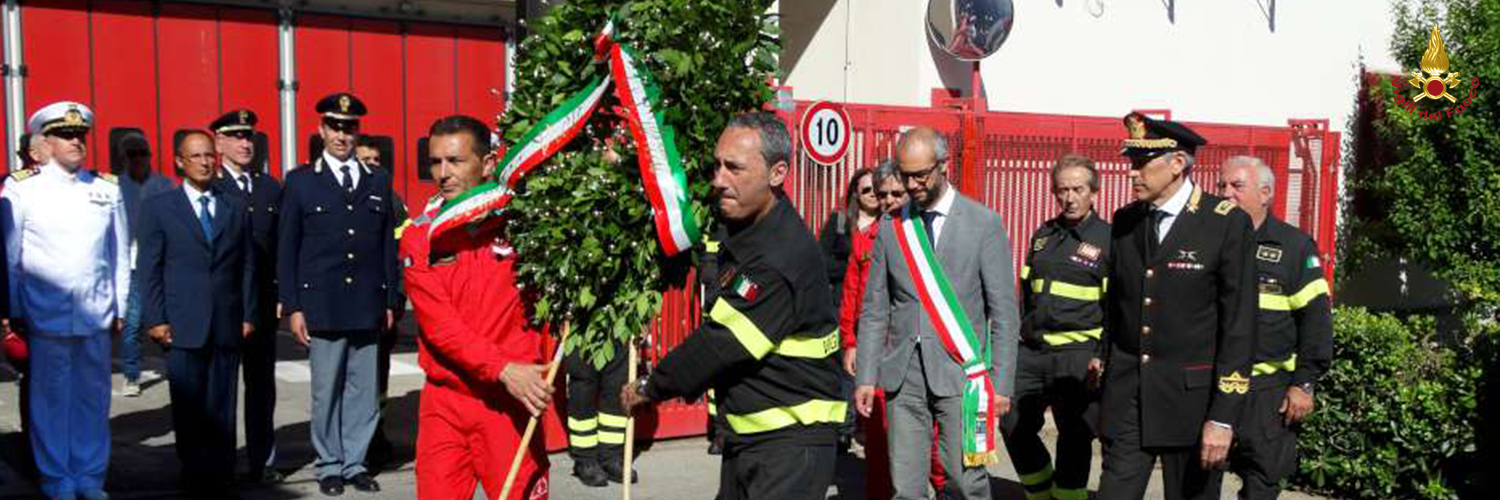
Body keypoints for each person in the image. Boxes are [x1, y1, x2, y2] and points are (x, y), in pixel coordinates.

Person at [621, 112, 844, 500]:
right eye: (717, 165)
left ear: (777, 174)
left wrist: (651, 386)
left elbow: (721, 343)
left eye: (734, 168)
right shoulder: (746, 226)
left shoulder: (780, 256)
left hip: (789, 445)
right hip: (751, 437)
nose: (718, 179)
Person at [1092, 112, 1256, 500]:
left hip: (1193, 403)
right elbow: (1117, 304)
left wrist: (1223, 416)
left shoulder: (1225, 223)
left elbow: (1239, 326)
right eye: (1130, 162)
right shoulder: (1126, 221)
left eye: (1142, 163)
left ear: (1178, 164)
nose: (1132, 173)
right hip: (1129, 396)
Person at [853, 127, 1019, 500]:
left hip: (962, 375)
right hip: (902, 375)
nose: (911, 185)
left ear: (944, 166)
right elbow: (876, 306)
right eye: (905, 174)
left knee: (965, 482)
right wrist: (866, 375)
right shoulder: (892, 227)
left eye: (920, 174)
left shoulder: (983, 224)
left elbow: (1004, 312)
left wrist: (1002, 384)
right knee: (906, 488)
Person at [402, 115, 552, 500]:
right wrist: (501, 368)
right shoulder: (421, 235)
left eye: (455, 161)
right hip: (446, 402)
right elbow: (441, 327)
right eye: (435, 162)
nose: (442, 173)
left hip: (510, 403)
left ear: (487, 164)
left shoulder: (527, 225)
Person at [3, 101, 129, 500]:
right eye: (67, 135)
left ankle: (90, 478)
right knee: (50, 401)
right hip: (45, 314)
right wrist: (12, 310)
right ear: (46, 142)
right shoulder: (22, 188)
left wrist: (121, 308)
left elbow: (120, 254)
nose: (77, 142)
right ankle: (57, 479)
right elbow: (10, 256)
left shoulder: (106, 188)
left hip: (95, 312)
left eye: (81, 135)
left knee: (93, 400)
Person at [278, 92, 399, 496]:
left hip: (366, 302)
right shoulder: (300, 182)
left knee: (364, 393)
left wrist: (389, 300)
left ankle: (355, 462)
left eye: (349, 127)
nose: (342, 135)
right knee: (326, 389)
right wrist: (294, 306)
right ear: (321, 129)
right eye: (335, 126)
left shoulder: (378, 180)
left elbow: (387, 248)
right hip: (322, 304)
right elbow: (288, 249)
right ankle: (329, 464)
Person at [138, 130, 256, 499]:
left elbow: (247, 265)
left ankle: (222, 472)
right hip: (181, 324)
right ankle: (194, 471)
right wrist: (155, 319)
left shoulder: (233, 206)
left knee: (223, 404)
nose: (205, 162)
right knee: (189, 406)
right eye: (196, 156)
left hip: (226, 322)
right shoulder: (159, 208)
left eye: (209, 155)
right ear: (179, 162)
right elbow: (149, 268)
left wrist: (248, 314)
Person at [1217, 156, 1332, 500]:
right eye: (1222, 186)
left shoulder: (1294, 247)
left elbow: (1316, 323)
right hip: (1213, 384)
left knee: (1262, 481)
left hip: (1267, 391)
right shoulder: (1208, 242)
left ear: (1265, 193)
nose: (1225, 194)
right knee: (1199, 477)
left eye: (1236, 186)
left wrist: (1304, 383)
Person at [840, 160, 949, 500]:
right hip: (878, 355)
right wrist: (850, 342)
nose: (887, 200)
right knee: (878, 443)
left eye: (895, 193)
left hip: (919, 355)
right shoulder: (866, 238)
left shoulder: (932, 234)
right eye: (882, 194)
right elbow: (852, 294)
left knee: (931, 446)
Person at [1004, 153, 1108, 500]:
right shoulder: (1043, 234)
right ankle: (1041, 492)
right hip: (1033, 351)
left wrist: (1101, 354)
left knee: (1074, 435)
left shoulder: (1109, 240)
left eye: (1078, 189)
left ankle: (1067, 496)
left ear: (1094, 192)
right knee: (1012, 422)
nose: (1069, 197)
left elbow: (1116, 307)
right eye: (1062, 189)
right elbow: (1025, 292)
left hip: (1079, 353)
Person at [209, 109, 287, 484]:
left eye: (248, 137)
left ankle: (262, 460)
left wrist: (283, 294)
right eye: (235, 136)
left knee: (262, 389)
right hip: (225, 304)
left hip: (264, 305)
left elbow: (281, 247)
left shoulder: (270, 187)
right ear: (219, 142)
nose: (244, 143)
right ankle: (220, 461)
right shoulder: (211, 186)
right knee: (221, 388)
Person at [352, 134, 406, 469]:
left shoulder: (393, 200)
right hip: (351, 302)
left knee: (379, 377)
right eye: (364, 159)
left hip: (382, 304)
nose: (372, 164)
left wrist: (397, 298)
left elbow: (402, 255)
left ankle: (376, 434)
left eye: (375, 159)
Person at [116, 130, 175, 397]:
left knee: (170, 320)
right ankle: (131, 374)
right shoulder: (115, 187)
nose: (139, 158)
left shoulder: (164, 185)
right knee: (134, 323)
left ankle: (177, 369)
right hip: (131, 265)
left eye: (143, 153)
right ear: (123, 158)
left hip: (162, 262)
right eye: (133, 154)